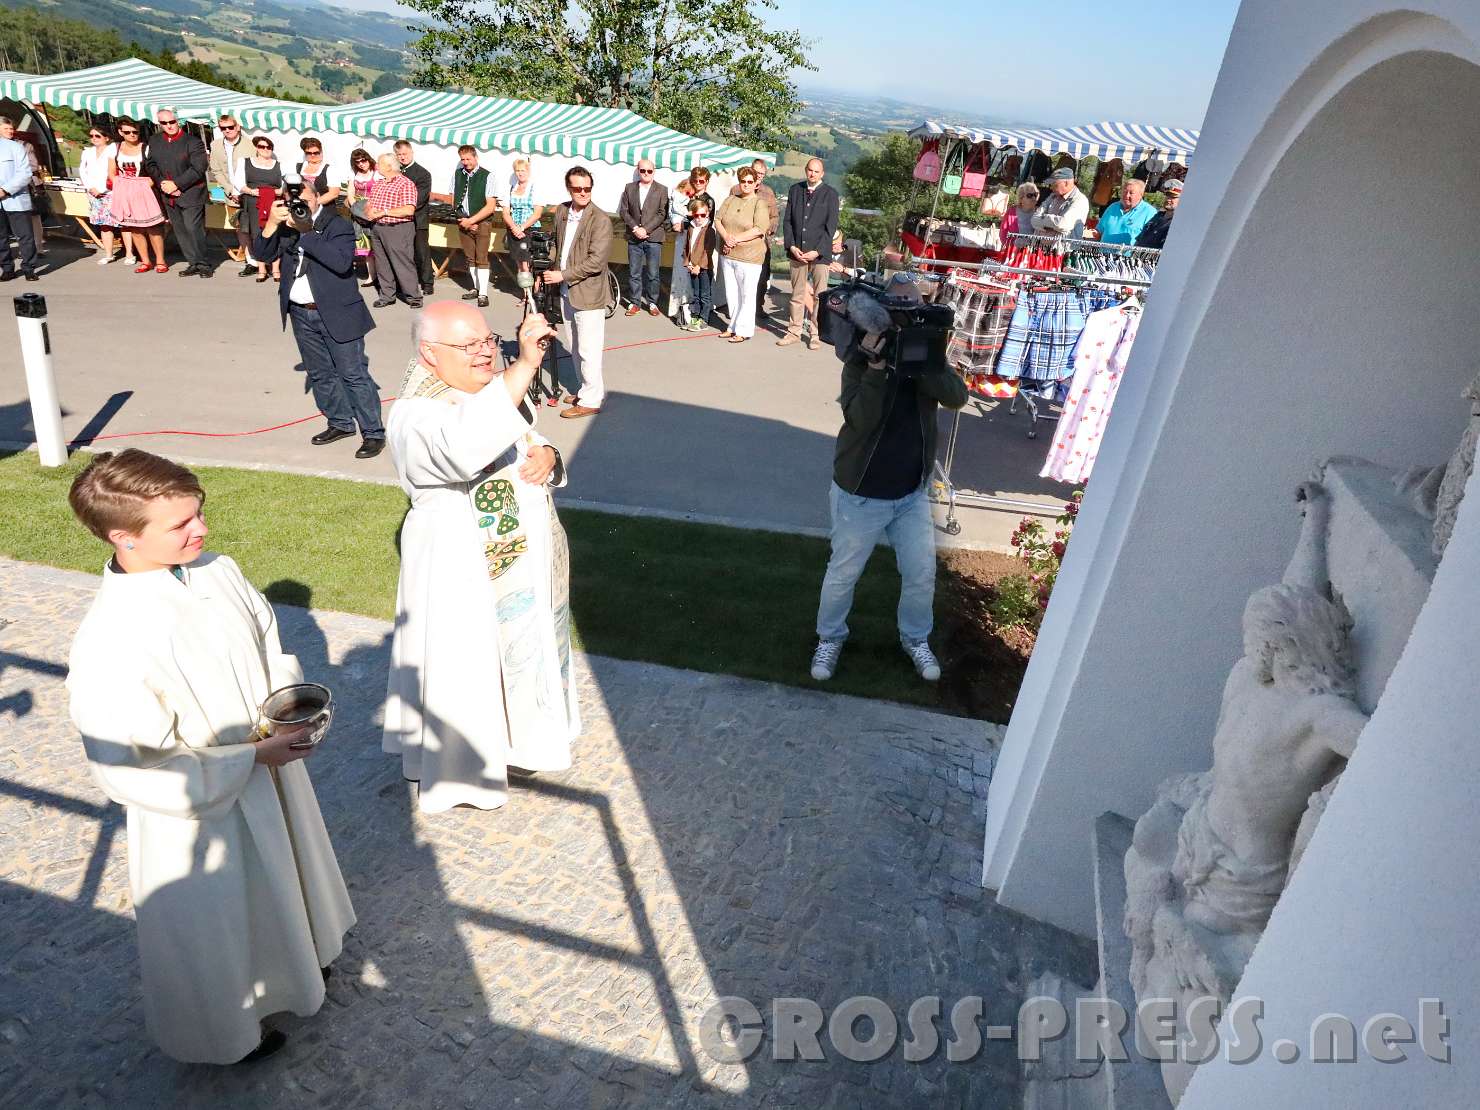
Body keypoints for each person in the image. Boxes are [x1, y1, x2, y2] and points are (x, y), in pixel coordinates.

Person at [65, 449, 355, 1064]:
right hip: (202, 808)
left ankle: (303, 965)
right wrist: (246, 759)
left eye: (199, 513)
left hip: (269, 765)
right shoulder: (109, 638)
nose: (202, 530)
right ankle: (229, 1032)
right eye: (180, 525)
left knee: (288, 871)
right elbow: (128, 765)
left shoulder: (217, 570)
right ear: (123, 536)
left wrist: (284, 708)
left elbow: (266, 639)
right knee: (219, 921)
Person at [383, 306, 579, 812]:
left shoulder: (481, 391)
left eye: (488, 340)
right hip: (459, 561)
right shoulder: (414, 413)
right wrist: (525, 367)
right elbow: (466, 445)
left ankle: (523, 743)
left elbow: (521, 437)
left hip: (514, 559)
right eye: (468, 346)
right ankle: (463, 775)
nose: (486, 351)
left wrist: (550, 458)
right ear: (429, 354)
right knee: (466, 666)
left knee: (516, 656)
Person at [809, 276, 968, 685]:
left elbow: (956, 397)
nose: (905, 320)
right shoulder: (859, 358)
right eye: (898, 311)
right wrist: (878, 367)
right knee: (844, 572)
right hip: (861, 493)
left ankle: (915, 638)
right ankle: (829, 638)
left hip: (911, 493)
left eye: (914, 311)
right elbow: (860, 421)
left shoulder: (927, 353)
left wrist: (921, 363)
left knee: (920, 573)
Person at [253, 178, 385, 458]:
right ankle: (340, 422)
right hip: (301, 312)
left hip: (337, 312)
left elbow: (340, 262)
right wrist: (271, 225)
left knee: (353, 375)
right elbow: (260, 253)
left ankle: (373, 432)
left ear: (317, 198)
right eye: (294, 201)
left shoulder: (337, 224)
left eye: (304, 199)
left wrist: (306, 232)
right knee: (321, 374)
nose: (299, 205)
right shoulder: (286, 223)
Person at [544, 165, 613, 418]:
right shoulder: (562, 211)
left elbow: (596, 261)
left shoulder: (601, 220)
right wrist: (546, 268)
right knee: (574, 345)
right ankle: (586, 390)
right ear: (569, 188)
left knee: (588, 349)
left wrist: (562, 274)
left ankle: (592, 400)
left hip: (589, 293)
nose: (583, 193)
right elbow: (558, 246)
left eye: (587, 188)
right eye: (578, 189)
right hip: (565, 290)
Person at [778, 157, 841, 349]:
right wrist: (791, 246)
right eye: (810, 170)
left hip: (820, 255)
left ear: (822, 174)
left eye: (816, 171)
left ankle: (815, 334)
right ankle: (794, 331)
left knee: (819, 297)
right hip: (797, 252)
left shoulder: (831, 194)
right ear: (806, 171)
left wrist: (818, 251)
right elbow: (787, 221)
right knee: (797, 295)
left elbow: (831, 228)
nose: (812, 174)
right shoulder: (795, 190)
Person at [144, 108, 211, 276]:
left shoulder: (193, 142)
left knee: (193, 228)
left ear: (177, 121)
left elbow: (199, 168)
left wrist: (177, 184)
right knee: (180, 230)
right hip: (167, 193)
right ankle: (192, 262)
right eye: (164, 123)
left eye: (171, 122)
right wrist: (162, 183)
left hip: (191, 193)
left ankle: (203, 264)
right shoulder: (155, 140)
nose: (169, 126)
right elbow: (150, 165)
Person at [430, 145, 496, 307]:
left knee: (481, 258)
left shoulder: (487, 176)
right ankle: (476, 288)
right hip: (463, 220)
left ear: (475, 157)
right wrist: (461, 218)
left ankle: (483, 294)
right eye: (463, 159)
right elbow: (453, 198)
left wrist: (473, 221)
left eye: (468, 159)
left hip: (482, 222)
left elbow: (490, 206)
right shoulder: (457, 174)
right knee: (470, 258)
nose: (465, 162)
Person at [107, 118, 169, 275]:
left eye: (135, 132)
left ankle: (160, 260)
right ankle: (145, 261)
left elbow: (156, 169)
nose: (132, 135)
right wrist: (122, 185)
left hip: (145, 190)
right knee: (135, 228)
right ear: (121, 132)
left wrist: (150, 181)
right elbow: (111, 172)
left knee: (153, 227)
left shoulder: (146, 148)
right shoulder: (114, 148)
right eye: (127, 132)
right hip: (125, 190)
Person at [715, 166, 769, 344]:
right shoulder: (731, 199)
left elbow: (760, 228)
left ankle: (744, 330)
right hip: (729, 254)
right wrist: (726, 238)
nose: (745, 185)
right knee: (732, 293)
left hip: (750, 256)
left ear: (756, 184)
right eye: (743, 181)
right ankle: (732, 327)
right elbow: (717, 220)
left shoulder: (759, 203)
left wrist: (735, 238)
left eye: (749, 182)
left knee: (747, 294)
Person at [365, 153, 421, 308]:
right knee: (382, 263)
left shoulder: (405, 184)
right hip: (378, 227)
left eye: (379, 163)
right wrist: (369, 210)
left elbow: (409, 210)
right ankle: (387, 295)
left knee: (402, 262)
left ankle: (414, 297)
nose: (376, 166)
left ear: (389, 166)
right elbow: (370, 203)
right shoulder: (379, 183)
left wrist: (384, 211)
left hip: (398, 228)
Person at [618, 158, 669, 316]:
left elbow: (663, 213)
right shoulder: (629, 188)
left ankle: (652, 303)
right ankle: (635, 302)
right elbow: (624, 211)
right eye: (643, 170)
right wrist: (635, 228)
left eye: (649, 171)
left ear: (654, 171)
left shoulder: (662, 189)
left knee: (653, 274)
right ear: (638, 170)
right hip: (634, 237)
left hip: (653, 237)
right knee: (634, 273)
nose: (646, 173)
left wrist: (645, 229)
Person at [731, 158, 778, 325]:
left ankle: (758, 307)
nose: (760, 177)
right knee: (737, 277)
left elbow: (774, 217)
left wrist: (766, 229)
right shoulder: (736, 190)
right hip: (740, 242)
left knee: (761, 277)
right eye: (757, 173)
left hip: (761, 244)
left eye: (762, 174)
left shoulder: (768, 193)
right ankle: (736, 308)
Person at [233, 136, 283, 283]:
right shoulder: (245, 162)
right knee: (257, 235)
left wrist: (277, 192)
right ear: (257, 147)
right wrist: (250, 191)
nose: (265, 149)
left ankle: (275, 268)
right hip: (253, 202)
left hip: (274, 202)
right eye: (262, 146)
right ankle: (261, 268)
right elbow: (238, 182)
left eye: (269, 147)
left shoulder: (279, 164)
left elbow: (284, 185)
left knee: (276, 234)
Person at [208, 113, 254, 271]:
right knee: (240, 228)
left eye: (230, 127)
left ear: (238, 127)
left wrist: (245, 190)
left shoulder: (251, 145)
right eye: (223, 128)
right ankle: (249, 260)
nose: (227, 130)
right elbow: (216, 170)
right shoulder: (215, 145)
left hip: (249, 193)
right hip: (230, 194)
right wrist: (229, 189)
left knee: (254, 227)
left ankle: (260, 259)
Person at [0, 114, 39, 282]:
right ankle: (7, 268)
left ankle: (29, 268)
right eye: (6, 128)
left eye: (11, 128)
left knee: (25, 236)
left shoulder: (16, 147)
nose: (10, 131)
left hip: (14, 198)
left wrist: (5, 190)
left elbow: (25, 173)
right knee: (0, 238)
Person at [393, 140, 434, 295]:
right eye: (399, 155)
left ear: (411, 153)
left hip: (418, 219)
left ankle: (427, 282)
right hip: (398, 219)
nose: (402, 157)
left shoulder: (422, 173)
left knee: (421, 252)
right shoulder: (395, 172)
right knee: (402, 252)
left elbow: (420, 198)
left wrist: (400, 208)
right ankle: (403, 282)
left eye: (405, 154)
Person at [500, 156, 544, 295]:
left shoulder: (535, 188)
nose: (520, 173)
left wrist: (522, 227)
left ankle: (535, 293)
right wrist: (514, 227)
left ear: (528, 171)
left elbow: (537, 213)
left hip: (530, 229)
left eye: (523, 170)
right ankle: (526, 295)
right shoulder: (511, 189)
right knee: (519, 264)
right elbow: (506, 213)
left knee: (528, 264)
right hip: (514, 229)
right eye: (518, 170)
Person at [79, 124, 120, 265]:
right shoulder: (87, 152)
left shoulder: (112, 150)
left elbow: (113, 172)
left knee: (121, 223)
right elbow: (82, 171)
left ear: (106, 138)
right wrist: (90, 187)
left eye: (97, 136)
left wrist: (102, 188)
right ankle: (109, 254)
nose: (94, 138)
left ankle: (130, 253)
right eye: (91, 136)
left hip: (110, 191)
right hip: (93, 192)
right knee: (104, 224)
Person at [346, 147, 381, 288]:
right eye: (358, 162)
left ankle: (382, 275)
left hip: (373, 210)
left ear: (368, 159)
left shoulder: (377, 173)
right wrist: (357, 210)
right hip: (359, 212)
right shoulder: (354, 174)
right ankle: (371, 275)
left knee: (377, 245)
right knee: (365, 245)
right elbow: (350, 193)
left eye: (363, 160)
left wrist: (369, 211)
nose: (361, 163)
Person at [682, 195, 717, 332]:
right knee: (695, 294)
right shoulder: (691, 228)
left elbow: (708, 250)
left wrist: (699, 266)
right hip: (692, 267)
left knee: (704, 296)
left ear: (707, 214)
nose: (699, 218)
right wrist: (688, 263)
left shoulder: (710, 230)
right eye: (696, 215)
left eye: (702, 215)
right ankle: (695, 318)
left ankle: (703, 320)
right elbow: (687, 247)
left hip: (704, 268)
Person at [664, 176, 695, 322]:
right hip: (682, 233)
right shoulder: (678, 195)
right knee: (682, 272)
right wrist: (688, 213)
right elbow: (677, 209)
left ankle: (680, 306)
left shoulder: (678, 195)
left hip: (682, 232)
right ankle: (681, 306)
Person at [1031, 166, 1089, 241]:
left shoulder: (1080, 200)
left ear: (1066, 183)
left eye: (1054, 184)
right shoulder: (1052, 196)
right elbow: (1034, 219)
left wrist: (1042, 219)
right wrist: (1053, 223)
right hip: (1040, 248)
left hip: (1063, 251)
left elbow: (1063, 224)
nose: (1051, 187)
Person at [1095, 177, 1158, 245]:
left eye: (1131, 193)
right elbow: (1099, 231)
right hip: (1102, 254)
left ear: (1141, 195)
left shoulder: (1149, 212)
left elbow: (1150, 240)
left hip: (1129, 255)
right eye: (1125, 191)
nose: (1127, 195)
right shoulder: (1113, 207)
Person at [1136, 177, 1182, 249]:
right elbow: (1140, 239)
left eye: (1173, 197)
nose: (1168, 199)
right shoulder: (1158, 216)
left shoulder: (1177, 223)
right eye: (1167, 196)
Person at [295, 137, 340, 206]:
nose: (312, 155)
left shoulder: (330, 169)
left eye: (316, 153)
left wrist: (312, 204)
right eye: (309, 153)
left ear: (321, 151)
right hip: (300, 208)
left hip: (323, 209)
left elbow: (333, 193)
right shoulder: (297, 167)